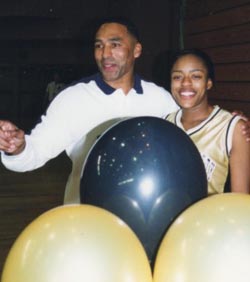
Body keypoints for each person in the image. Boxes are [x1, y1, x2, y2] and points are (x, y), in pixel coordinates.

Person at [0, 17, 179, 204]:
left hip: (146, 216)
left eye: (115, 44)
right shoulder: (73, 99)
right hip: (86, 217)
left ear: (136, 50)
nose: (105, 54)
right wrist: (16, 148)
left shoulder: (161, 100)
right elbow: (35, 152)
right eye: (99, 46)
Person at [165, 48, 250, 195]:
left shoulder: (233, 128)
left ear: (208, 83)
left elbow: (240, 199)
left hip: (211, 217)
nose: (185, 83)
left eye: (196, 76)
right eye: (177, 77)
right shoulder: (165, 124)